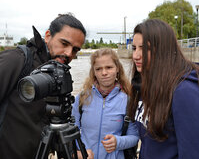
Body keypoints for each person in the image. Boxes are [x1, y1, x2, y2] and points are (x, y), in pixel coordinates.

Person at [0, 13, 92, 159]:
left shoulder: (60, 72)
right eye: (64, 43)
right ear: (48, 36)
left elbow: (49, 125)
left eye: (75, 50)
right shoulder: (17, 60)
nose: (69, 53)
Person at [128, 18, 199, 158]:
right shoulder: (145, 85)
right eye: (134, 48)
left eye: (145, 48)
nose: (136, 55)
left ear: (163, 50)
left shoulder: (185, 93)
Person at [72, 48, 139, 159]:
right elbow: (72, 131)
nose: (104, 73)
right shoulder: (82, 99)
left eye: (109, 67)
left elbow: (134, 136)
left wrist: (118, 142)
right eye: (98, 69)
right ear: (93, 72)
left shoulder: (128, 101)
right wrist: (80, 152)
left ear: (117, 68)